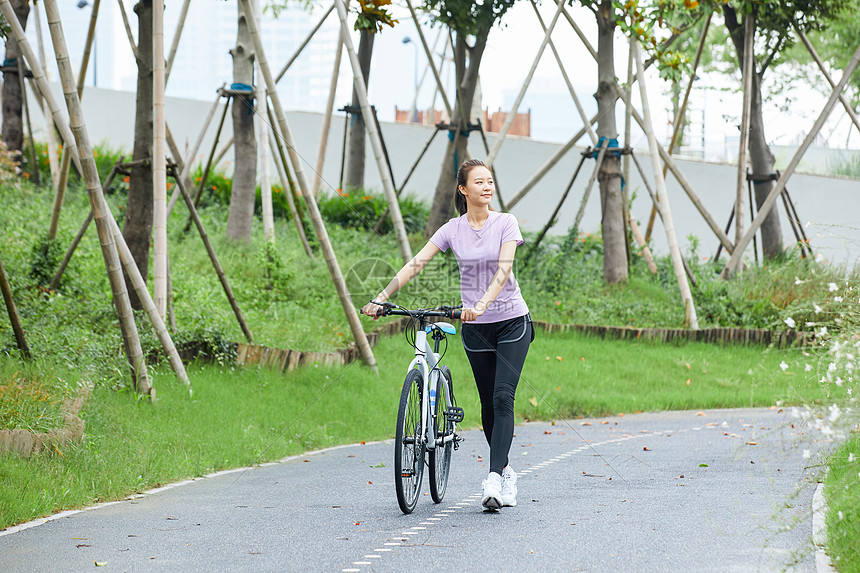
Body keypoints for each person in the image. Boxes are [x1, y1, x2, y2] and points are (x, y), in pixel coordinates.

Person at [361, 159, 534, 510]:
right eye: (480, 182)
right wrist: (381, 298)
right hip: (476, 328)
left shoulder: (506, 222)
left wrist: (484, 303)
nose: (487, 187)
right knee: (487, 404)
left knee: (503, 398)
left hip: (512, 321)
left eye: (490, 181)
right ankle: (506, 471)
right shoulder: (452, 229)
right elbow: (416, 263)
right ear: (463, 189)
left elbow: (504, 271)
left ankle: (494, 479)